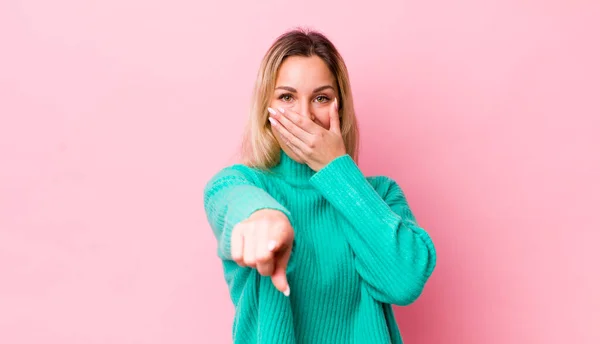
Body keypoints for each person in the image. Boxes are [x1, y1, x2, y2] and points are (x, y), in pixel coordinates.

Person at [203, 27, 437, 344]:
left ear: (340, 107)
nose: (305, 116)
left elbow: (405, 281)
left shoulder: (379, 195)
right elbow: (235, 202)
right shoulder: (240, 182)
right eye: (286, 97)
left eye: (321, 98)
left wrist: (334, 169)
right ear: (265, 109)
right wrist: (266, 218)